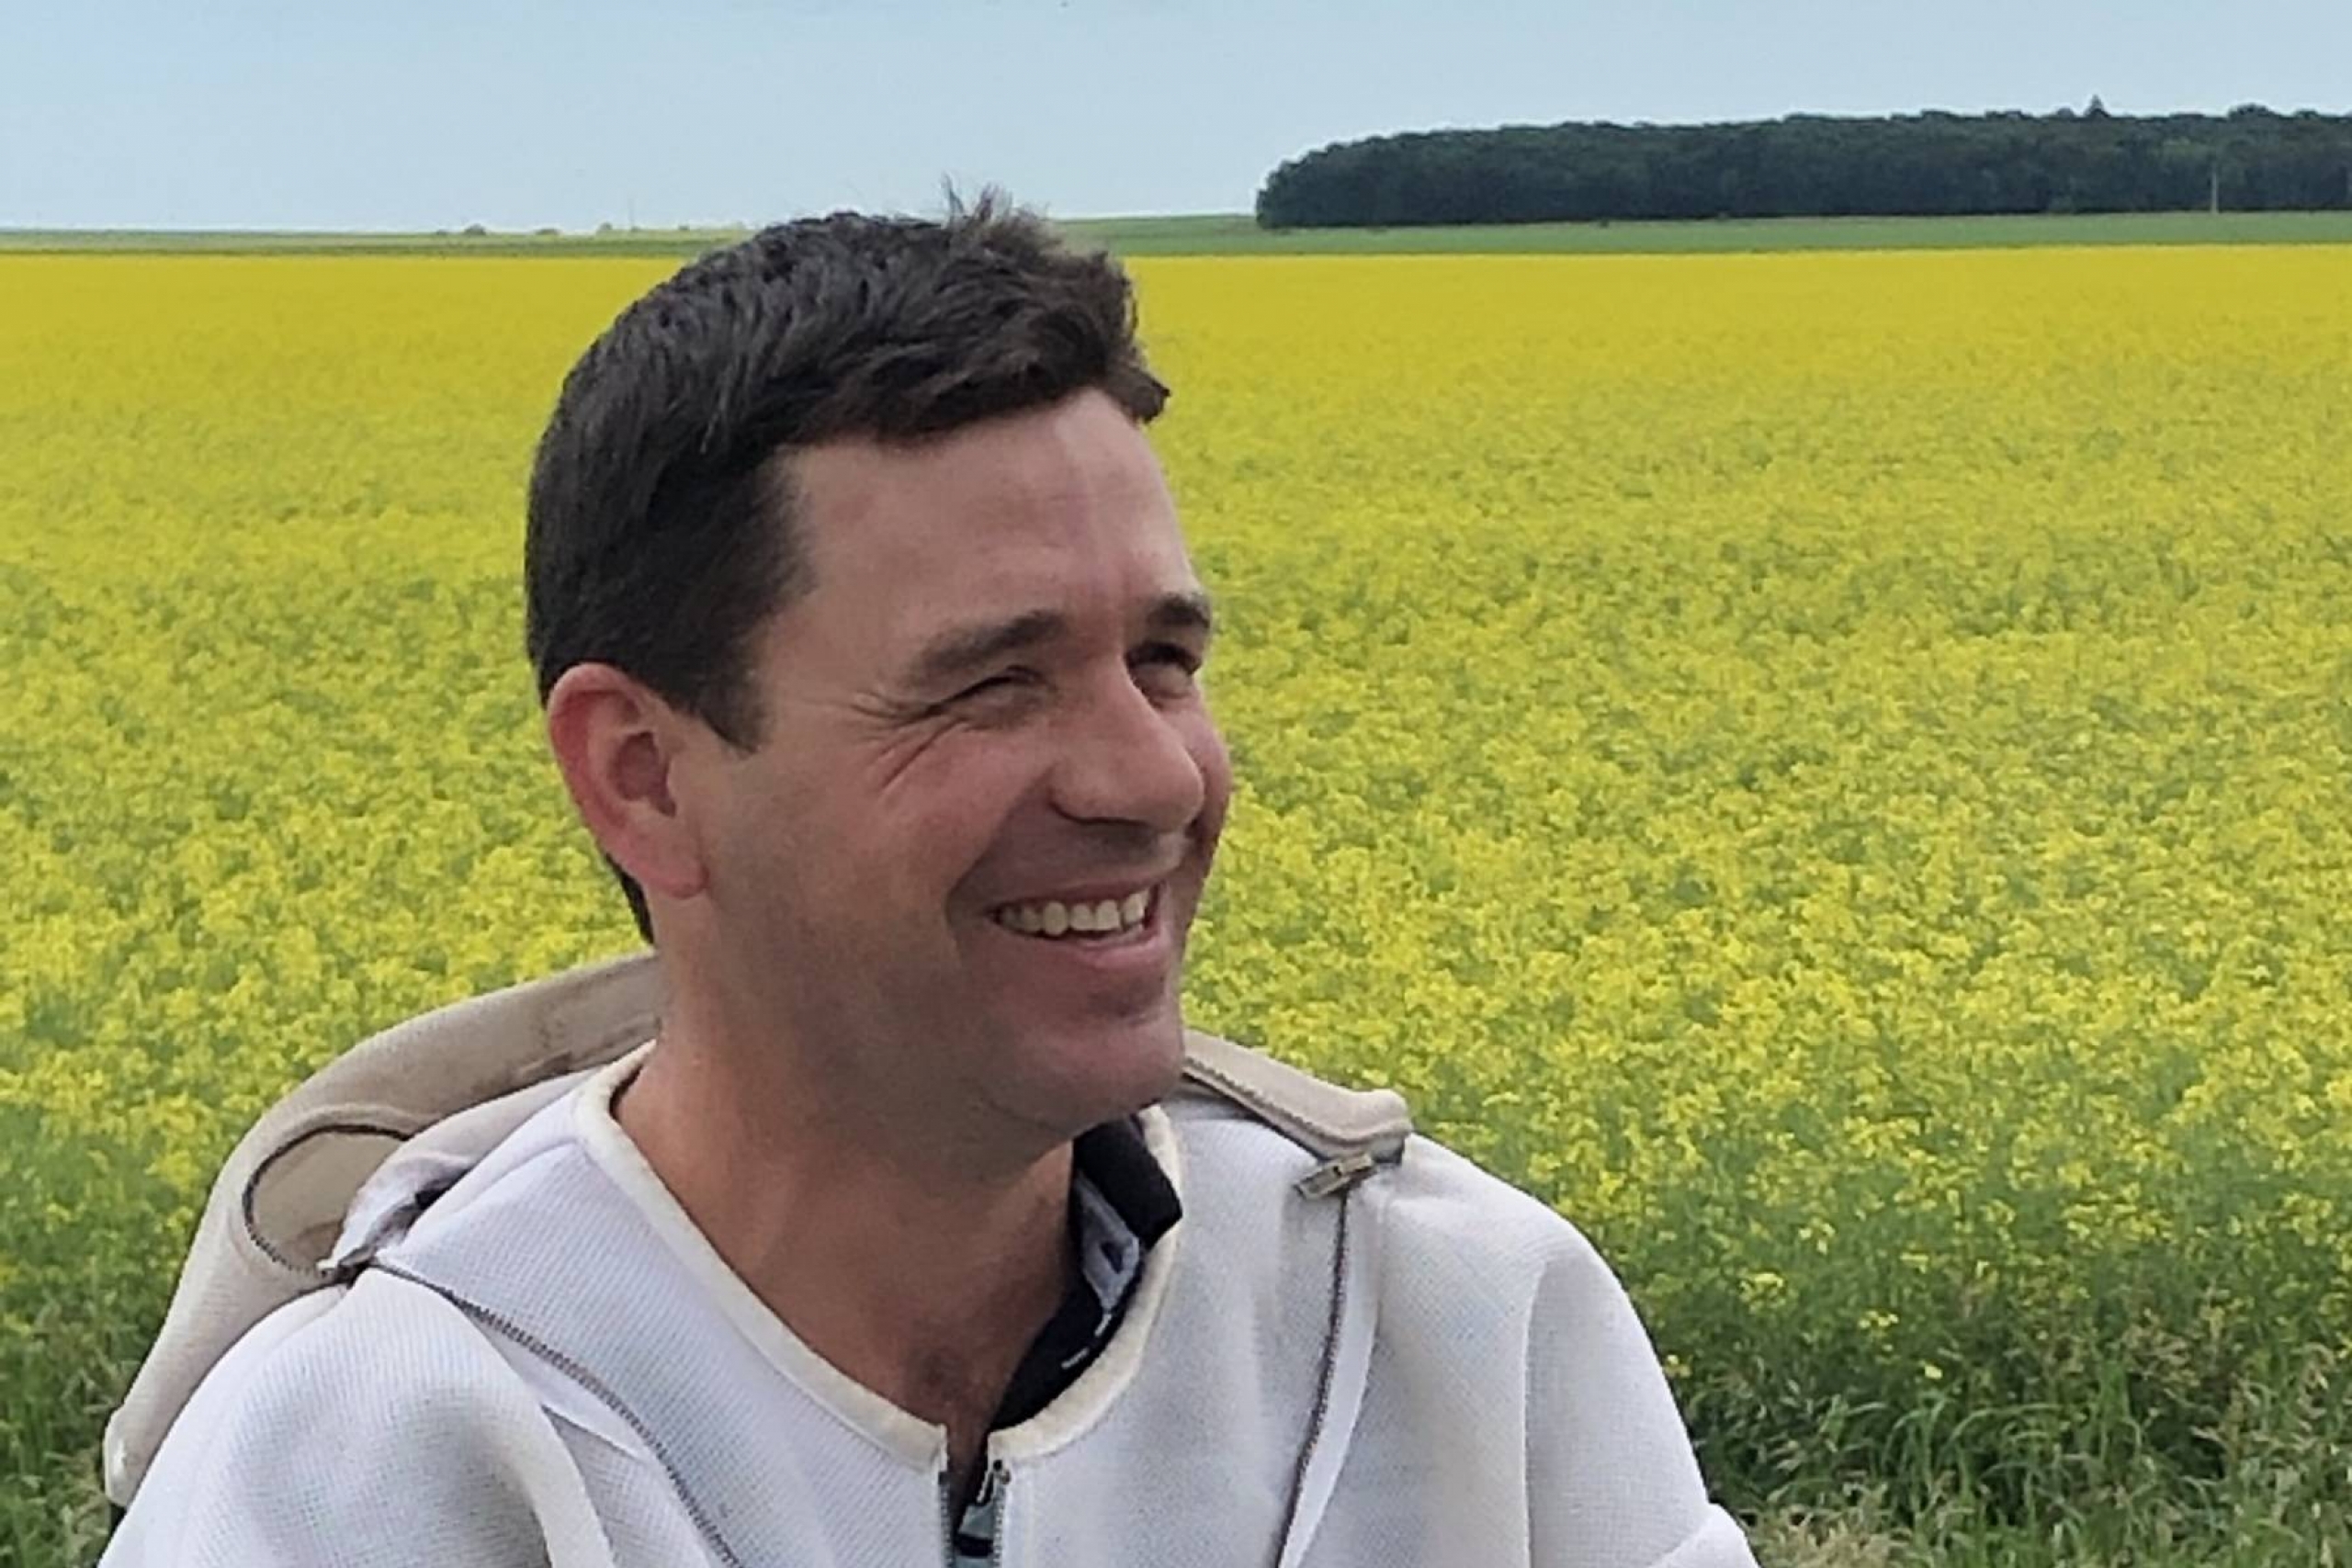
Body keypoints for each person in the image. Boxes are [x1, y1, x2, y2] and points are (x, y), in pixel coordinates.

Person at [99, 196, 1758, 1567]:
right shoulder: (380, 1458)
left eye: (1165, 662)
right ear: (645, 776)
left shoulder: (1447, 1321)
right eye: (992, 685)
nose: (1151, 781)